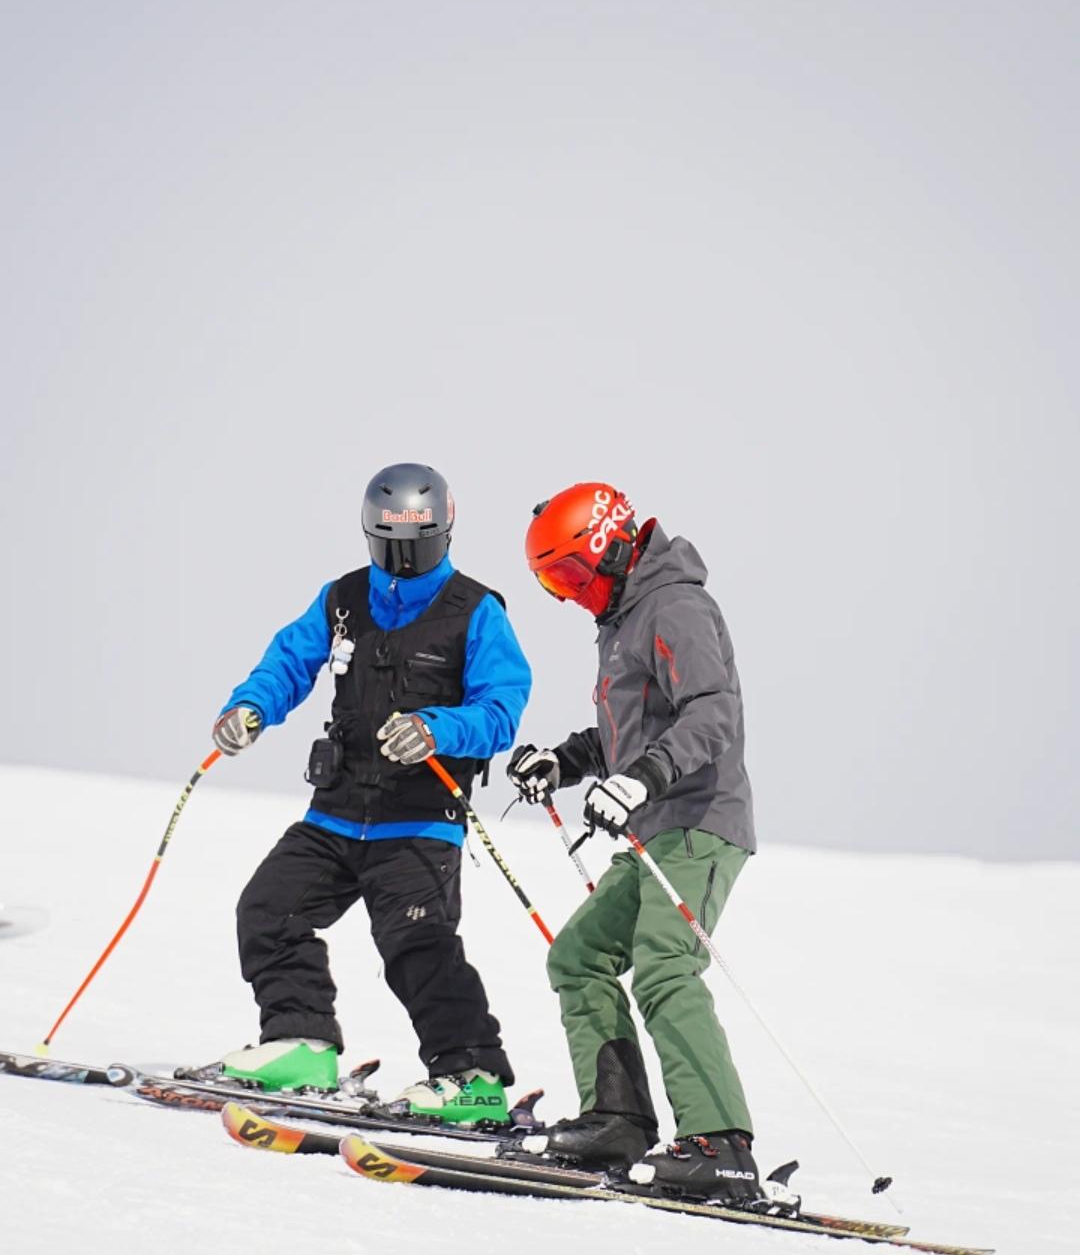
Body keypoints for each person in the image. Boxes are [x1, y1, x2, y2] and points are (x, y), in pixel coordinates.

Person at [205, 463, 531, 1122]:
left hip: (419, 820)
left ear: (444, 533)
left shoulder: (476, 611)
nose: (402, 561)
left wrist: (435, 729)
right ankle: (301, 1042)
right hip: (336, 812)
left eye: (417, 547)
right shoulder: (343, 599)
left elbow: (501, 709)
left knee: (418, 944)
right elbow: (289, 661)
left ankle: (472, 1078)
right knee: (268, 909)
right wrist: (250, 708)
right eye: (389, 547)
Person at [508, 481, 760, 1202]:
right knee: (578, 955)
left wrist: (641, 779)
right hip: (654, 827)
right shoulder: (623, 620)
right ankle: (617, 1120)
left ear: (611, 545)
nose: (570, 594)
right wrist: (563, 762)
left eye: (573, 574)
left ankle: (721, 1145)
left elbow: (711, 712)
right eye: (554, 584)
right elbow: (627, 733)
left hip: (700, 821)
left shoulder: (675, 606)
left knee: (663, 965)